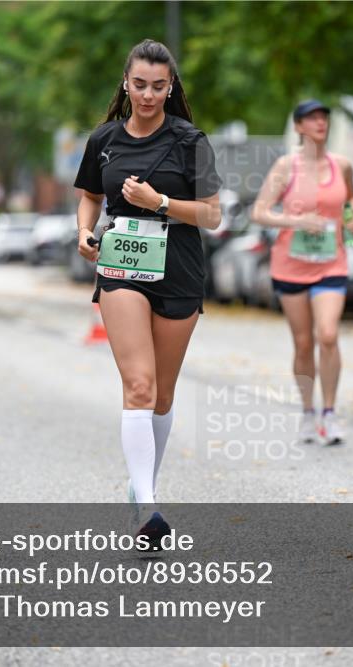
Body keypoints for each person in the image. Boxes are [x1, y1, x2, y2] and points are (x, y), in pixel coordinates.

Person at [74, 39, 221, 547]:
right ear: (125, 83)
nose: (149, 95)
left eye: (159, 86)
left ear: (171, 86)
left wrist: (159, 202)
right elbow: (90, 194)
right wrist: (83, 231)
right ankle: (147, 508)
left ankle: (140, 492)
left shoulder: (190, 141)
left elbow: (212, 214)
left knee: (161, 394)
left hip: (178, 269)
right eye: (140, 84)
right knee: (138, 385)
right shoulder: (104, 139)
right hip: (121, 267)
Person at [251, 100, 353, 446]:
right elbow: (260, 212)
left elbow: (352, 200)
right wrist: (297, 221)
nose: (320, 122)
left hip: (331, 263)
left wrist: (351, 219)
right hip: (291, 265)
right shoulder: (286, 166)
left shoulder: (341, 165)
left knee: (327, 335)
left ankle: (330, 412)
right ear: (298, 127)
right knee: (302, 342)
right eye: (312, 118)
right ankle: (308, 413)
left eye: (324, 117)